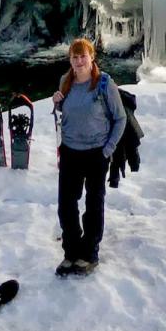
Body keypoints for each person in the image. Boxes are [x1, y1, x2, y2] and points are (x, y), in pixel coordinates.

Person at [51, 37, 126, 276]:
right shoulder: (66, 81)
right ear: (70, 60)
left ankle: (89, 253)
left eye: (83, 56)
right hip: (70, 152)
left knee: (93, 204)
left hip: (96, 154)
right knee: (66, 205)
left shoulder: (104, 84)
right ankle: (71, 251)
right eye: (75, 57)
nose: (79, 61)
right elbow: (67, 113)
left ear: (92, 57)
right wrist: (57, 103)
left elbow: (120, 118)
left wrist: (108, 150)